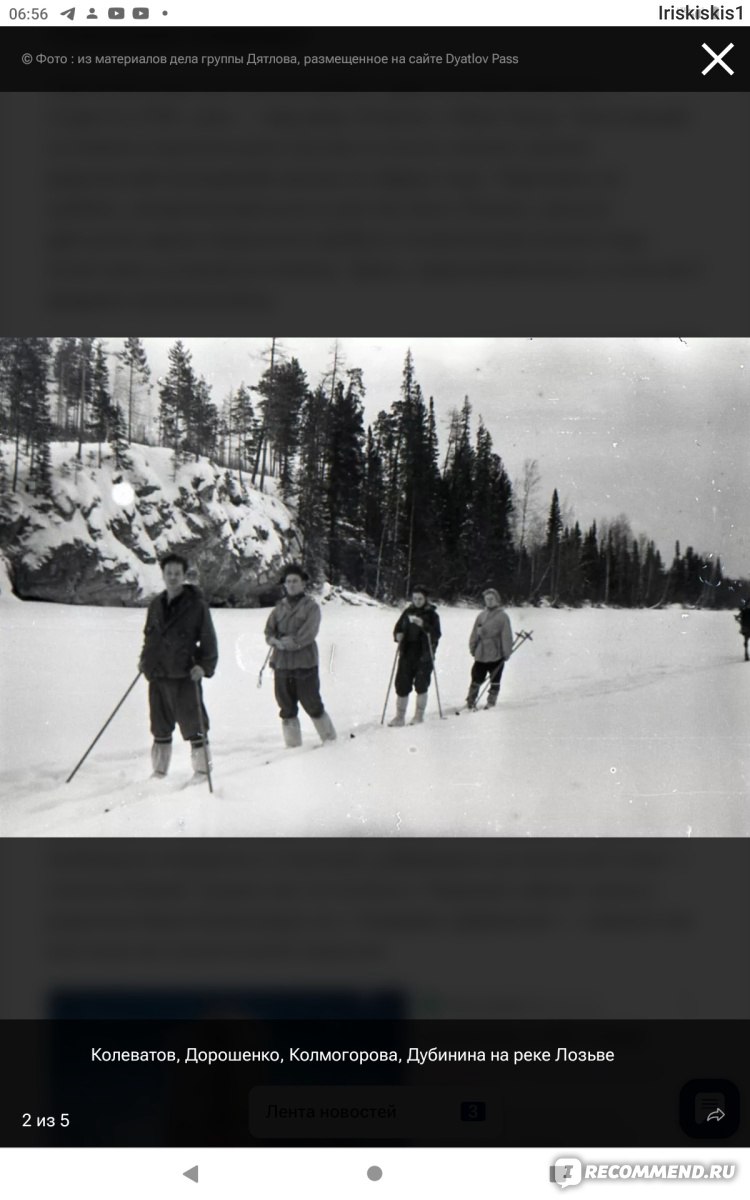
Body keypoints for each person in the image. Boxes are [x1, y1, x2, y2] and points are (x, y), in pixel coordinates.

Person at [138, 553, 218, 779]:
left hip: (185, 674)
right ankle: (159, 771)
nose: (173, 577)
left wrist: (204, 666)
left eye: (177, 573)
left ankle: (203, 771)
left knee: (195, 724)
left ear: (184, 576)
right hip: (158, 673)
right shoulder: (155, 604)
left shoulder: (196, 605)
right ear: (163, 575)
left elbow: (209, 639)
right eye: (169, 573)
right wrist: (145, 660)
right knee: (160, 725)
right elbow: (149, 637)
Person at [264, 563, 336, 747]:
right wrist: (274, 641)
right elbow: (268, 631)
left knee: (312, 703)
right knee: (286, 706)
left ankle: (330, 742)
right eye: (288, 581)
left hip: (304, 664)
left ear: (303, 583)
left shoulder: (311, 608)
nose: (291, 585)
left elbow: (307, 634)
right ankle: (293, 747)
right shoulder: (279, 608)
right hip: (281, 664)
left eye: (295, 581)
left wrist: (285, 642)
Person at [388, 585, 441, 726]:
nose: (417, 601)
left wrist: (423, 624)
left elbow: (436, 634)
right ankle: (400, 717)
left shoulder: (432, 615)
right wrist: (397, 635)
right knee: (402, 684)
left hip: (424, 653)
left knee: (421, 684)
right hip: (407, 652)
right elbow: (398, 628)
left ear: (425, 599)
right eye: (415, 598)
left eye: (420, 598)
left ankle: (418, 715)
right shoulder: (407, 612)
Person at [466, 588, 513, 709]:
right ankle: (471, 700)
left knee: (495, 678)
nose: (489, 601)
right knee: (476, 677)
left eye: (492, 599)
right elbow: (474, 633)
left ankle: (491, 701)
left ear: (497, 600)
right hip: (481, 653)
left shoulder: (503, 616)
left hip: (496, 653)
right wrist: (473, 647)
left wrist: (506, 652)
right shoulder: (481, 615)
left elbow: (506, 636)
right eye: (487, 599)